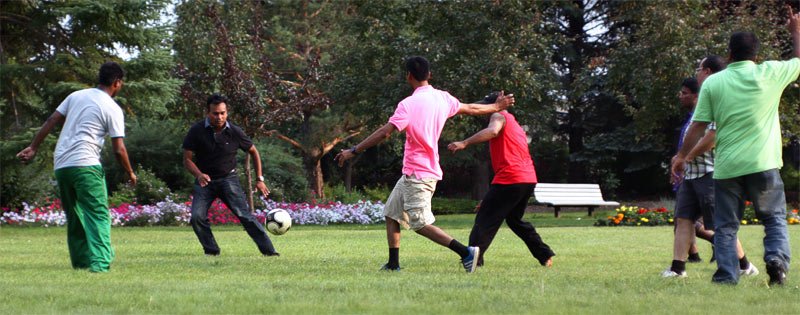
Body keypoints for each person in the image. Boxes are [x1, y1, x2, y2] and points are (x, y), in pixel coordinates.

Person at [334, 56, 514, 273]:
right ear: (429, 74)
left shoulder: (408, 105)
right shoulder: (443, 98)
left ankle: (466, 252)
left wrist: (353, 150)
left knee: (419, 224)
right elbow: (472, 108)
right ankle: (393, 264)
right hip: (413, 173)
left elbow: (384, 132)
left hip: (419, 174)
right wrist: (495, 106)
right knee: (392, 213)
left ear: (408, 75)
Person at [672, 10, 800, 285]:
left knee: (725, 225)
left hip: (728, 167)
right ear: (757, 54)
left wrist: (682, 156)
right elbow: (798, 60)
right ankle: (776, 261)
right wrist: (795, 32)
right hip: (764, 163)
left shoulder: (714, 82)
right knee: (774, 219)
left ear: (729, 54)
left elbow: (698, 126)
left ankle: (727, 276)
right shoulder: (771, 73)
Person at [16, 61, 137, 273]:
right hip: (86, 165)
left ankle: (81, 263)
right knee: (97, 214)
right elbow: (119, 149)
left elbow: (52, 119)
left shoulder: (76, 96)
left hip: (62, 165)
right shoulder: (112, 108)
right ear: (117, 83)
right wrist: (130, 172)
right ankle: (99, 265)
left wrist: (33, 147)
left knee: (75, 214)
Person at [662, 73, 757, 278]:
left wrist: (685, 157)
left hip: (709, 174)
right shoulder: (695, 115)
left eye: (701, 68)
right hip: (691, 176)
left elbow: (712, 138)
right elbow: (689, 140)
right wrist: (679, 159)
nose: (680, 96)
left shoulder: (713, 106)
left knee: (720, 225)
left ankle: (745, 265)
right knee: (683, 220)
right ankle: (677, 269)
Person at [447, 92, 555, 268]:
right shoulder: (515, 123)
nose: (484, 110)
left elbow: (493, 131)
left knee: (484, 221)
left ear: (496, 104)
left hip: (511, 178)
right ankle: (544, 255)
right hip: (527, 178)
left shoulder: (498, 115)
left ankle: (474, 260)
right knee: (515, 220)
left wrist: (464, 143)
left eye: (485, 106)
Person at [182, 94, 278, 257]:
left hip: (228, 180)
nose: (219, 117)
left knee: (245, 216)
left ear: (227, 113)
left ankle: (269, 252)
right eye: (215, 113)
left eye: (223, 113)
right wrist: (199, 175)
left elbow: (254, 152)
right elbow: (187, 160)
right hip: (205, 182)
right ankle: (212, 251)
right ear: (208, 112)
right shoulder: (196, 131)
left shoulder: (235, 132)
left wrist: (259, 179)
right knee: (197, 217)